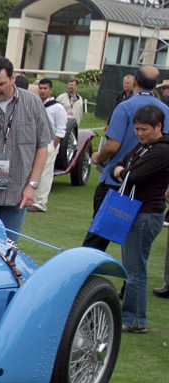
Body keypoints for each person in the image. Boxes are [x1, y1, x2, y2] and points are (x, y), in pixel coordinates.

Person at [0, 56, 52, 244]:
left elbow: (42, 146)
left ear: (13, 78)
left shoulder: (33, 103)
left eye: (1, 84)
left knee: (9, 250)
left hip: (18, 194)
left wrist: (33, 185)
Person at [87, 65, 169, 251]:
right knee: (136, 250)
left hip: (117, 182)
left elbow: (113, 146)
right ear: (155, 85)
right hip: (149, 188)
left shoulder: (125, 107)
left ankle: (86, 277)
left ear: (135, 82)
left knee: (97, 239)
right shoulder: (165, 110)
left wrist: (98, 158)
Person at [108, 105, 169, 333]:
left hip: (146, 214)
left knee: (135, 270)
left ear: (158, 127)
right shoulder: (145, 146)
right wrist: (122, 171)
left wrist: (122, 172)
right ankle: (133, 317)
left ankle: (134, 320)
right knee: (132, 268)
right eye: (137, 129)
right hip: (137, 212)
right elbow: (119, 164)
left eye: (144, 129)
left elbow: (132, 175)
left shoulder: (161, 150)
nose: (140, 133)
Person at [28, 78, 67, 213]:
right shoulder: (36, 104)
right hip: (35, 145)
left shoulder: (58, 107)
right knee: (34, 172)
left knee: (45, 174)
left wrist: (53, 146)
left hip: (50, 145)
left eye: (45, 88)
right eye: (41, 88)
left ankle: (40, 203)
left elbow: (61, 130)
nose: (42, 91)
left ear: (50, 90)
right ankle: (31, 199)